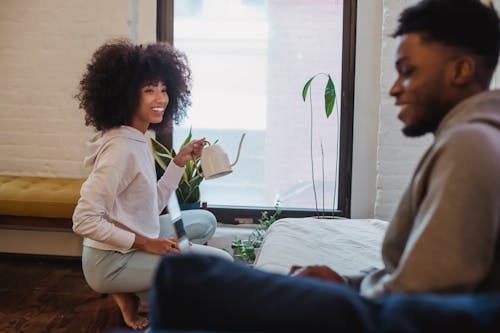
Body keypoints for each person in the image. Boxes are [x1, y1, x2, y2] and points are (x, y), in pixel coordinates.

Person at [147, 0, 500, 331]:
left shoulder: (470, 145)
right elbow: (414, 274)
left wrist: (343, 296)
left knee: (183, 275)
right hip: (379, 305)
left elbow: (426, 298)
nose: (395, 88)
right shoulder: (470, 139)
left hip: (380, 319)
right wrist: (346, 282)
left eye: (407, 72)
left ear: (460, 70)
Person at [72, 39, 232, 330]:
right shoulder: (121, 148)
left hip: (131, 238)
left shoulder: (136, 137)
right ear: (126, 95)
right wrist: (149, 244)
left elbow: (152, 204)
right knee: (219, 263)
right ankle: (135, 292)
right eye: (149, 90)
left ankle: (145, 285)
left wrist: (179, 161)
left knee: (204, 221)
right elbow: (83, 220)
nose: (160, 98)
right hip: (109, 262)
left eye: (164, 89)